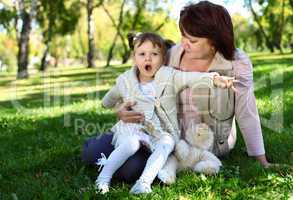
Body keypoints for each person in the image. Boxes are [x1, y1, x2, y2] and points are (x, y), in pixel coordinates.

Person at [82, 1, 272, 183]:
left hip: (199, 144)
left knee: (130, 169)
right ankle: (106, 148)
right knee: (92, 152)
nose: (184, 43)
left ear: (215, 41)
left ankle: (121, 162)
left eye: (192, 40)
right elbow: (138, 82)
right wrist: (121, 110)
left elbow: (247, 112)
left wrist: (261, 160)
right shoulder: (171, 54)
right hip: (158, 132)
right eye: (183, 36)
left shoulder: (237, 63)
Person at [95, 32, 234, 194]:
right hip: (132, 129)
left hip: (159, 132)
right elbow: (107, 101)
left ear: (163, 59)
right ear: (135, 58)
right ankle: (103, 179)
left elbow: (191, 78)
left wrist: (213, 79)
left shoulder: (169, 76)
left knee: (167, 142)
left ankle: (143, 183)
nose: (148, 59)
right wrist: (115, 107)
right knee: (132, 143)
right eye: (142, 54)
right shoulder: (125, 81)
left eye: (154, 54)